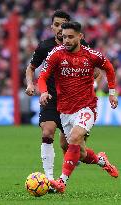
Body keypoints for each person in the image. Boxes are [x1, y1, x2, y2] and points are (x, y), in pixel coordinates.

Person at [38, 21, 119, 193]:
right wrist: (43, 92)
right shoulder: (56, 55)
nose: (65, 40)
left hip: (87, 107)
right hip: (65, 110)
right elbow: (42, 77)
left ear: (80, 37)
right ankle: (101, 161)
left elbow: (109, 68)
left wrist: (112, 92)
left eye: (70, 37)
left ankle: (62, 182)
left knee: (75, 137)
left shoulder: (91, 55)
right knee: (79, 152)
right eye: (64, 36)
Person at [25, 10, 100, 181]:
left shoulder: (82, 45)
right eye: (56, 25)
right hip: (50, 99)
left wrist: (86, 81)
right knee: (47, 132)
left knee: (75, 150)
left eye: (62, 24)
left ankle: (100, 160)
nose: (59, 29)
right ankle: (50, 179)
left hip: (75, 103)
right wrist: (31, 84)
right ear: (52, 27)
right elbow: (31, 68)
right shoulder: (45, 46)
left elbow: (97, 70)